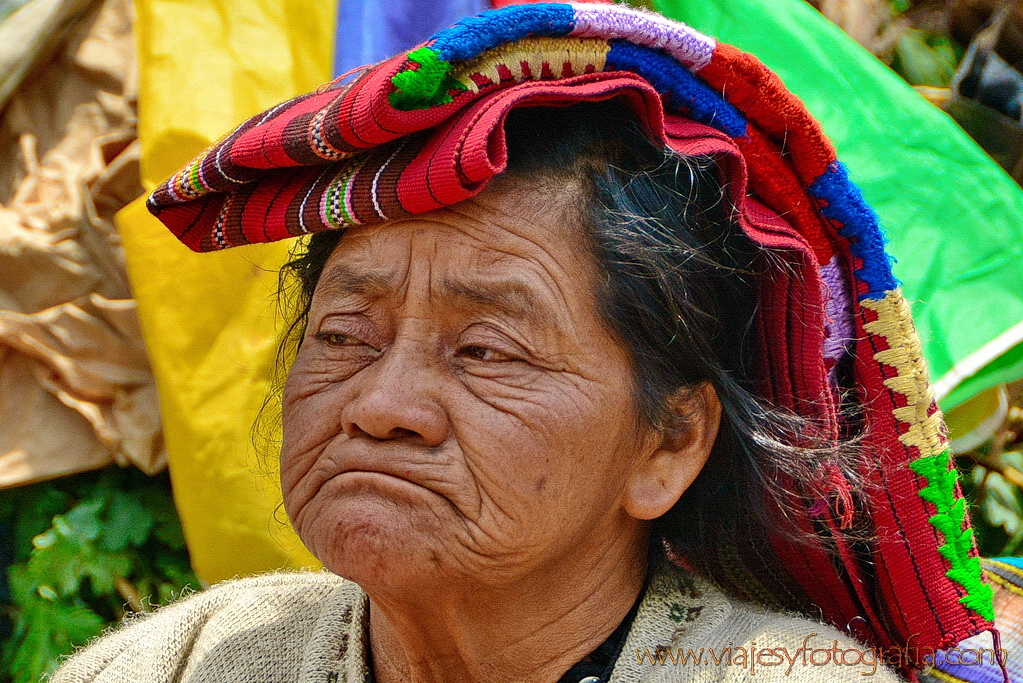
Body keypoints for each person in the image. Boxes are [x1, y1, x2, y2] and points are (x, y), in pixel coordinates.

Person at [52, 4, 996, 682]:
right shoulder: (183, 663)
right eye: (343, 333)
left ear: (668, 443)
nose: (379, 406)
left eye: (485, 352)